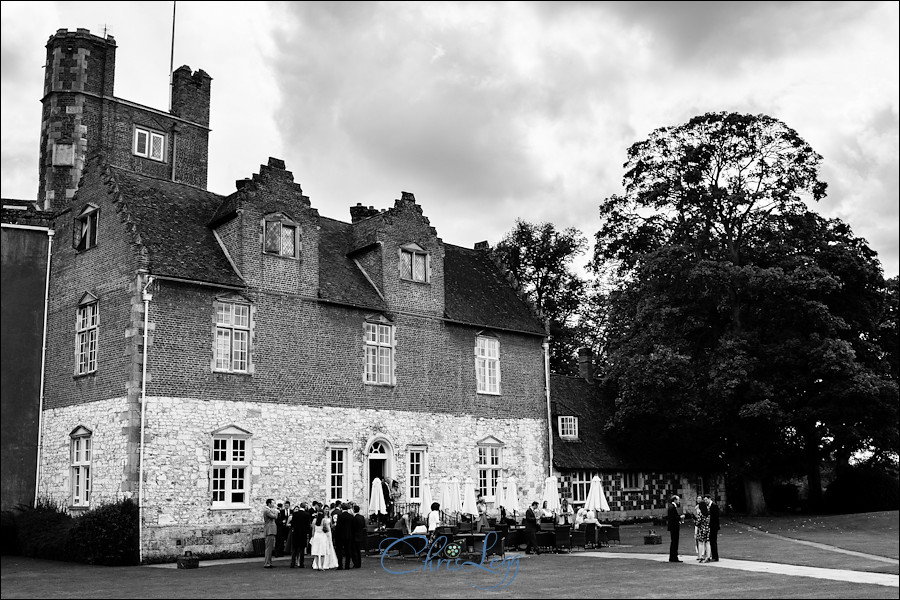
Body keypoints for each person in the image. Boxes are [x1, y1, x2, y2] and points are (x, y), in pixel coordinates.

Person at [289, 502, 312, 568]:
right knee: (301, 549)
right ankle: (301, 563)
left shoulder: (295, 514)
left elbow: (292, 524)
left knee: (294, 549)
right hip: (303, 533)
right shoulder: (307, 514)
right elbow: (308, 525)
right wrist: (307, 532)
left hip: (295, 533)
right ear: (305, 507)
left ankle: (292, 563)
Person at [334, 502, 354, 570]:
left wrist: (336, 535)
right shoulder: (351, 516)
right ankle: (347, 565)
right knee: (348, 551)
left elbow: (338, 527)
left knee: (339, 551)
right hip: (348, 535)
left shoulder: (340, 516)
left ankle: (340, 565)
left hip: (340, 536)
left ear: (342, 508)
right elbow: (352, 527)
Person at [262, 498, 279, 568]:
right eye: (272, 503)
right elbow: (275, 516)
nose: (274, 504)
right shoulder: (267, 511)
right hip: (269, 530)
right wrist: (276, 511)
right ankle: (267, 563)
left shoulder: (269, 510)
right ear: (269, 504)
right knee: (268, 548)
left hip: (271, 530)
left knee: (270, 548)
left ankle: (269, 562)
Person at [667, 495, 684, 563]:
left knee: (673, 542)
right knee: (675, 542)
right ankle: (674, 557)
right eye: (678, 500)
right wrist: (680, 517)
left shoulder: (671, 507)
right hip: (674, 527)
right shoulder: (672, 507)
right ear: (675, 500)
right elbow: (674, 518)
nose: (679, 501)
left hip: (672, 527)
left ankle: (672, 557)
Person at [695, 497, 711, 562]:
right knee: (707, 542)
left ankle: (701, 556)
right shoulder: (708, 514)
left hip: (702, 529)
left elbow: (697, 522)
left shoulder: (701, 514)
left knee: (701, 543)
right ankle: (708, 556)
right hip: (707, 528)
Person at [707, 495, 721, 562]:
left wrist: (709, 515)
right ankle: (713, 555)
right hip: (711, 526)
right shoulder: (708, 506)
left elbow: (716, 515)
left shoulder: (714, 505)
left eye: (706, 499)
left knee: (713, 541)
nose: (705, 501)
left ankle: (715, 557)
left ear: (709, 499)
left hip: (714, 526)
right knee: (711, 541)